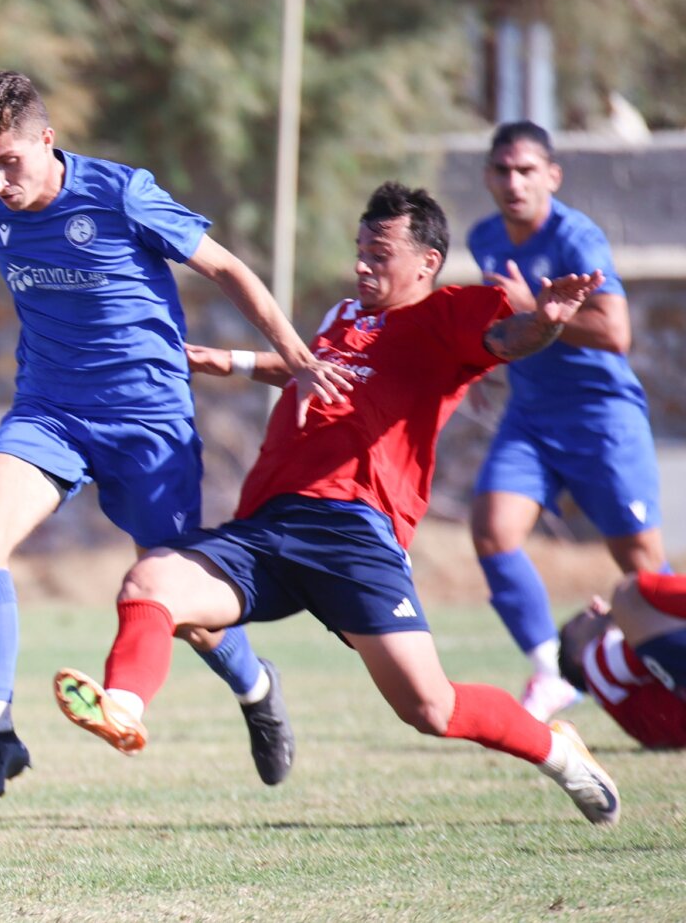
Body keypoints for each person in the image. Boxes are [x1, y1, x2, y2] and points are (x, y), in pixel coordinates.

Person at [53, 181, 622, 827]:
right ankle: (123, 706)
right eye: (360, 250)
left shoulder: (449, 316)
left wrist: (547, 322)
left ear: (425, 264)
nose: (361, 264)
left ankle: (559, 752)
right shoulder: (343, 318)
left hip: (354, 533)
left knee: (431, 709)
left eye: (379, 253)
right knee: (151, 579)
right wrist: (226, 361)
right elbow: (315, 368)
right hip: (268, 526)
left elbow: (509, 338)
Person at [0, 70, 352, 810]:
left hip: (148, 423)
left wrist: (295, 353)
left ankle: (257, 685)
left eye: (10, 161)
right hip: (49, 411)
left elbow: (226, 266)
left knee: (174, 606)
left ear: (48, 139)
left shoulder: (120, 193)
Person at [466, 120, 669, 722]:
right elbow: (506, 324)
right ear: (488, 177)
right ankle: (551, 671)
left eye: (526, 170)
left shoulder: (578, 238)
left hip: (601, 418)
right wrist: (479, 365)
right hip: (529, 417)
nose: (513, 182)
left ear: (552, 176)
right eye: (502, 170)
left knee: (641, 568)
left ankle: (671, 671)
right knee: (492, 530)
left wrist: (535, 305)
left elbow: (615, 332)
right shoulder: (484, 238)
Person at [558, 572, 686, 750]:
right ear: (576, 658)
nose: (595, 604)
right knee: (628, 592)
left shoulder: (617, 692)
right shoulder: (594, 664)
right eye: (584, 617)